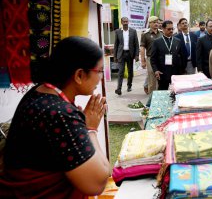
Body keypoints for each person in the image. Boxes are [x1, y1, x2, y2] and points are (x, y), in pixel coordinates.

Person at [1, 37, 110, 197]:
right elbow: (96, 183)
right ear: (79, 75)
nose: (100, 77)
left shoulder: (39, 92)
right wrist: (91, 129)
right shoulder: (60, 113)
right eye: (99, 71)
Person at [150, 20, 186, 90]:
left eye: (172, 29)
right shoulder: (157, 42)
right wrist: (156, 70)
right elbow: (153, 59)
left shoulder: (177, 41)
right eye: (169, 29)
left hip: (176, 73)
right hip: (162, 72)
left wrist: (182, 70)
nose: (171, 31)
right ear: (163, 29)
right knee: (163, 92)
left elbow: (182, 56)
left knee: (176, 92)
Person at [114, 17, 139, 95]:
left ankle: (129, 86)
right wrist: (115, 56)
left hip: (130, 54)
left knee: (130, 71)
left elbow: (136, 44)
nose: (125, 23)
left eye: (126, 21)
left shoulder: (133, 31)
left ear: (128, 22)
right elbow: (116, 44)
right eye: (124, 21)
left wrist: (136, 55)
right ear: (121, 22)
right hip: (121, 54)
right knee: (120, 71)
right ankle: (119, 88)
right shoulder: (117, 31)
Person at [140, 16, 162, 95]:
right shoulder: (145, 34)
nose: (156, 24)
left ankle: (159, 95)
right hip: (150, 58)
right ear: (150, 24)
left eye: (157, 22)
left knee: (161, 77)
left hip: (161, 58)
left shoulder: (161, 33)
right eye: (154, 22)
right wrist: (143, 61)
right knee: (152, 78)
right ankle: (152, 98)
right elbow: (142, 48)